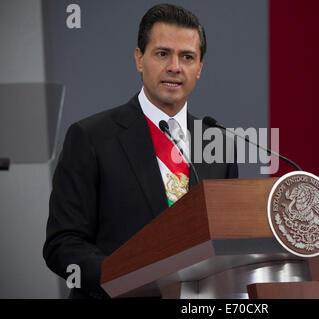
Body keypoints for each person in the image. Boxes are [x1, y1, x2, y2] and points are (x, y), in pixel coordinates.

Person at [43, 4, 238, 299]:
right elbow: (63, 243)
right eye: (162, 54)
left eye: (187, 57)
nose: (175, 66)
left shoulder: (217, 142)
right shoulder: (90, 137)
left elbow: (229, 242)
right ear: (139, 59)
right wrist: (125, 278)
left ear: (199, 68)